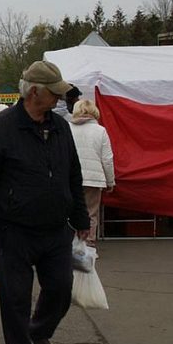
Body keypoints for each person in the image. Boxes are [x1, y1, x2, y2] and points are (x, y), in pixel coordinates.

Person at [0, 60, 90, 344]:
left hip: (55, 227)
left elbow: (73, 173)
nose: (60, 99)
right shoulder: (2, 128)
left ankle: (39, 330)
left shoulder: (60, 127)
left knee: (61, 289)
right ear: (34, 92)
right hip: (12, 230)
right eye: (54, 93)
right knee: (16, 295)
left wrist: (80, 216)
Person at [69, 99, 115, 246]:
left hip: (70, 178)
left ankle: (72, 243)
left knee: (70, 211)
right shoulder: (100, 131)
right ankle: (88, 245)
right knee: (91, 213)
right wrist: (110, 181)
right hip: (93, 179)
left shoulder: (67, 129)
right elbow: (107, 159)